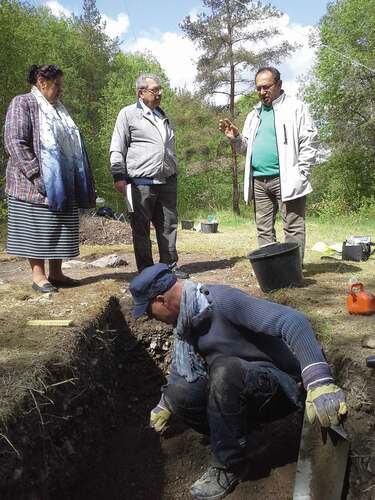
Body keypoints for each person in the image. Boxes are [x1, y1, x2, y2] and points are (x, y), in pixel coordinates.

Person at [129, 264, 347, 500]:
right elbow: (184, 368)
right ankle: (237, 434)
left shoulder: (223, 301)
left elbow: (293, 321)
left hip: (279, 387)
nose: (151, 319)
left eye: (149, 312)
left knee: (224, 370)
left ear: (162, 300)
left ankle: (229, 465)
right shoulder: (185, 321)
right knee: (178, 393)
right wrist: (166, 403)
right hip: (239, 385)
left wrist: (319, 380)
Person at [4, 64, 96, 293]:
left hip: (62, 183)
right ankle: (39, 276)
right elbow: (15, 142)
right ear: (42, 82)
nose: (61, 90)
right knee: (38, 228)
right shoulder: (23, 103)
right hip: (31, 183)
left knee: (60, 227)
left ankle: (56, 273)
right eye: (58, 85)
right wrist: (37, 175)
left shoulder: (59, 110)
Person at [219, 67, 318, 261]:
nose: (262, 92)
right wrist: (236, 138)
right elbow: (246, 148)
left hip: (287, 178)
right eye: (258, 88)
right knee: (263, 228)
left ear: (279, 85)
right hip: (259, 180)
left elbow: (310, 140)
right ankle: (271, 269)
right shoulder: (253, 114)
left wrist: (302, 171)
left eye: (266, 87)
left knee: (293, 226)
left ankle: (293, 271)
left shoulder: (296, 107)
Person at [110, 73, 188, 278]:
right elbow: (117, 147)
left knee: (168, 224)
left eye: (160, 89)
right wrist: (118, 175)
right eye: (155, 90)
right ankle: (146, 270)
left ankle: (170, 266)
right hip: (139, 182)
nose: (160, 93)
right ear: (141, 93)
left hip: (167, 180)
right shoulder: (127, 114)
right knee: (140, 228)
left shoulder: (162, 115)